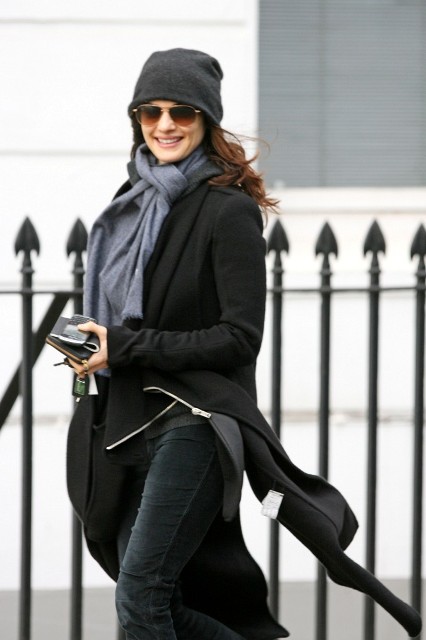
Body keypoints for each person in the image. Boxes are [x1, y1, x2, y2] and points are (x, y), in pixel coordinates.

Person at [65, 49, 422, 640]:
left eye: (181, 111)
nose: (164, 125)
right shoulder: (131, 206)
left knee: (141, 595)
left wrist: (125, 346)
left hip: (195, 423)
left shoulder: (227, 210)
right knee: (155, 602)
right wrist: (99, 350)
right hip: (127, 422)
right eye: (150, 112)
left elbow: (238, 338)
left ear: (206, 119)